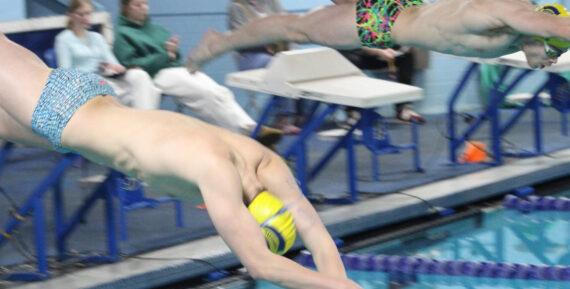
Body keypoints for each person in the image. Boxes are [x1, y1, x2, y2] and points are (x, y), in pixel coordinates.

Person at [0, 33, 393, 289]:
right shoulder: (216, 173)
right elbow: (260, 264)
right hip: (60, 111)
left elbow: (314, 230)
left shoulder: (265, 162)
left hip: (83, 104)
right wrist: (342, 286)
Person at [186, 0, 570, 72]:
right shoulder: (507, 12)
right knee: (294, 27)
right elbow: (555, 28)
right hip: (387, 17)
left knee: (298, 26)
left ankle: (218, 43)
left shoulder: (520, 35)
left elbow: (539, 53)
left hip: (401, 12)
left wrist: (544, 54)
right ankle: (216, 43)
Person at [114, 0, 282, 147]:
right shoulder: (123, 34)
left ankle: (251, 129)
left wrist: (173, 51)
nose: (143, 8)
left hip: (174, 68)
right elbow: (131, 66)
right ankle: (247, 134)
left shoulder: (156, 28)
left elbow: (174, 54)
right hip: (155, 75)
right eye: (137, 5)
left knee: (219, 92)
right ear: (125, 7)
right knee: (205, 94)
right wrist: (165, 55)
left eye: (145, 3)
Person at [55, 0, 161, 110]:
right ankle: (145, 120)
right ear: (71, 16)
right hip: (85, 84)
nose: (86, 18)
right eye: (81, 14)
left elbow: (113, 62)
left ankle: (144, 119)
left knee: (140, 75)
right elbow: (65, 73)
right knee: (147, 93)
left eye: (88, 14)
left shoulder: (97, 37)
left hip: (106, 78)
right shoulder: (63, 39)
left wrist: (114, 67)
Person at [228, 0, 304, 134]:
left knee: (299, 62)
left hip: (279, 51)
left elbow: (288, 26)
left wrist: (293, 51)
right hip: (252, 55)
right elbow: (241, 38)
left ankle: (302, 116)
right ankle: (283, 118)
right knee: (278, 64)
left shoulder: (272, 2)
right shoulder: (237, 6)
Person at [339, 47, 426, 123]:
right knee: (350, 60)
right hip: (358, 55)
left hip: (381, 54)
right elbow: (359, 44)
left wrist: (398, 50)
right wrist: (378, 52)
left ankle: (404, 109)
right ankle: (352, 111)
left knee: (406, 57)